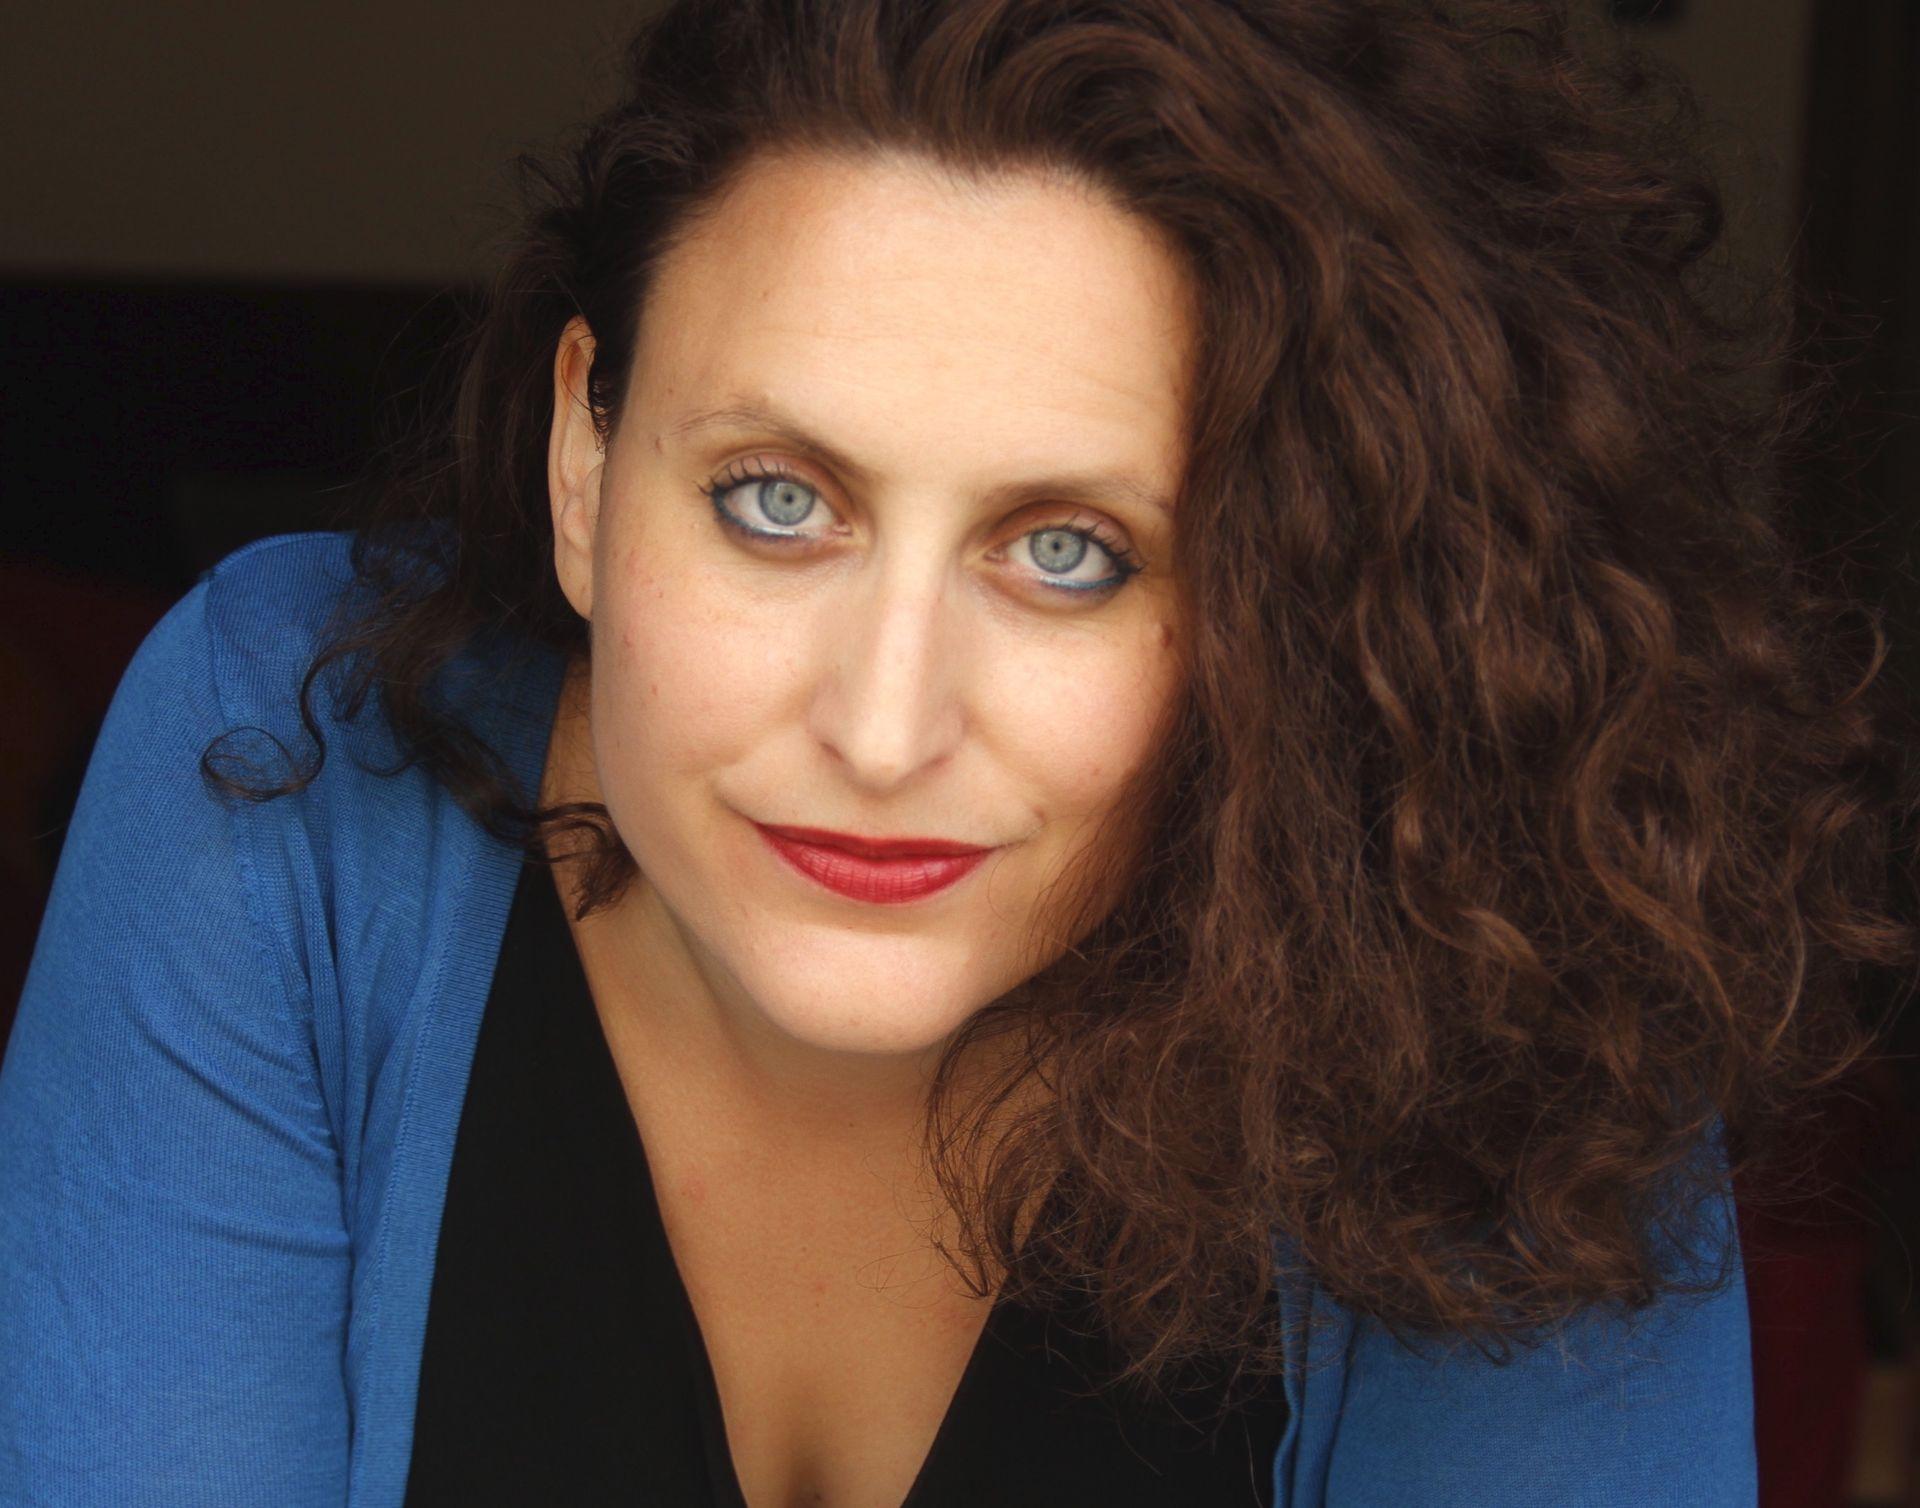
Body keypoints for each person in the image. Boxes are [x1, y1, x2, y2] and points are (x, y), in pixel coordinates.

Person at [3, 1, 1911, 1503]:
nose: (883, 723)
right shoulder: (288, 758)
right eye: (775, 501)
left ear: (1292, 591)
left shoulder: (1503, 953)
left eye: (1066, 552)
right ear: (586, 461)